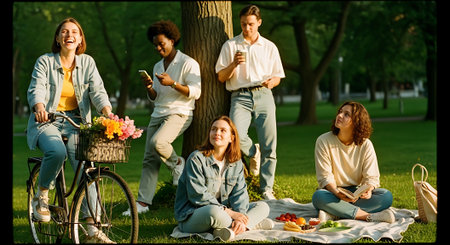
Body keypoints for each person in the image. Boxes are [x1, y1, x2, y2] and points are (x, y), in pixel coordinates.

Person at [27, 17, 115, 243]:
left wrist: (107, 112)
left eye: (74, 32)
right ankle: (42, 196)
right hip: (48, 120)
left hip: (77, 121)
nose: (69, 35)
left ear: (80, 39)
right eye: (64, 32)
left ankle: (92, 228)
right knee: (57, 152)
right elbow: (36, 87)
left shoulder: (87, 62)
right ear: (57, 38)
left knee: (88, 169)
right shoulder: (45, 61)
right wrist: (39, 107)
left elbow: (98, 91)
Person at [122, 20, 201, 216]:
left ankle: (178, 164)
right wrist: (150, 86)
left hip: (179, 112)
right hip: (158, 113)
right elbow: (156, 96)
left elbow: (195, 92)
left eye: (161, 44)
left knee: (159, 142)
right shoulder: (158, 65)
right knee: (149, 159)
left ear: (172, 40)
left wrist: (173, 83)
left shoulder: (188, 63)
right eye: (155, 45)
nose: (158, 48)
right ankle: (143, 203)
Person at [215, 4, 285, 200]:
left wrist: (272, 82)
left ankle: (266, 189)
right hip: (240, 95)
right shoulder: (230, 45)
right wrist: (234, 64)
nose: (247, 28)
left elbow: (277, 76)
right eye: (244, 24)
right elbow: (221, 77)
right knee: (234, 135)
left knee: (270, 144)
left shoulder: (269, 47)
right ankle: (254, 152)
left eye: (251, 24)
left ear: (259, 22)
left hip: (264, 95)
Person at [174, 116, 274, 241]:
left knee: (263, 207)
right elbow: (197, 195)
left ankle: (235, 227)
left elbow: (240, 194)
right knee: (214, 212)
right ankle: (249, 225)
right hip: (194, 214)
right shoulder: (196, 159)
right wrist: (230, 213)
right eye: (214, 129)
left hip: (225, 213)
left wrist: (240, 215)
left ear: (231, 138)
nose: (217, 133)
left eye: (222, 130)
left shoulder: (236, 162)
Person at [312, 101, 395, 223]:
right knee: (319, 197)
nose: (339, 116)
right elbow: (325, 177)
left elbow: (371, 177)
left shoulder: (365, 144)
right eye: (340, 112)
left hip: (356, 194)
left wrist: (369, 190)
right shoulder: (323, 141)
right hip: (333, 193)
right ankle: (368, 216)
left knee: (386, 196)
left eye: (346, 114)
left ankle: (335, 213)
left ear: (357, 121)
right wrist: (337, 193)